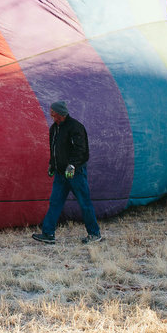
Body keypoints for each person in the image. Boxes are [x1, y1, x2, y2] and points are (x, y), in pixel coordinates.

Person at [32, 101, 102, 244]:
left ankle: (94, 234)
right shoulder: (54, 128)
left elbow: (81, 150)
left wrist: (72, 165)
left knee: (84, 203)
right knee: (55, 203)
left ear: (60, 114)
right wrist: (52, 164)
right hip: (60, 174)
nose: (51, 115)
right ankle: (48, 234)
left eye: (53, 113)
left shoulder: (75, 128)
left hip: (74, 173)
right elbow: (54, 150)